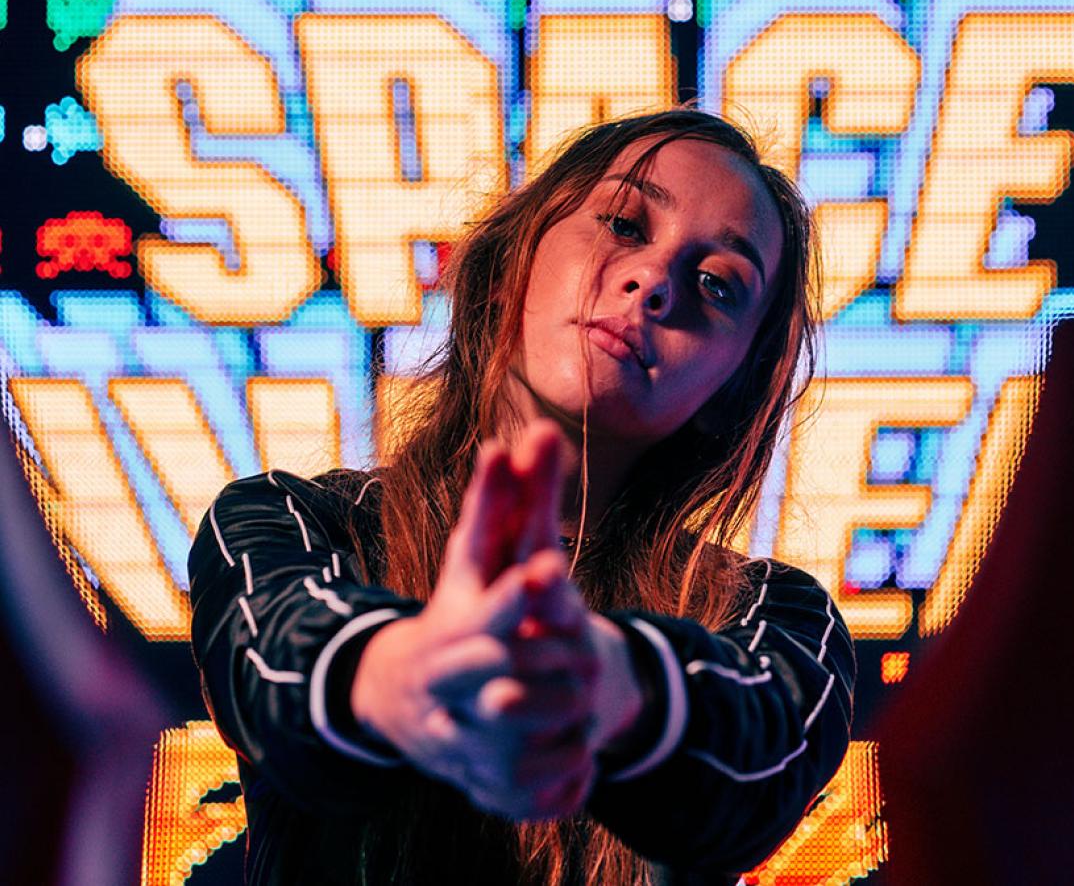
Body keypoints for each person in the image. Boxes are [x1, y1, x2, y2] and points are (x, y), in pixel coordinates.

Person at [188, 108, 856, 886]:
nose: (654, 282)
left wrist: (599, 677)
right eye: (624, 222)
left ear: (730, 385)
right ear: (514, 262)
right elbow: (273, 661)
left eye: (717, 284)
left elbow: (755, 760)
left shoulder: (778, 616)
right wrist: (413, 673)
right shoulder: (285, 519)